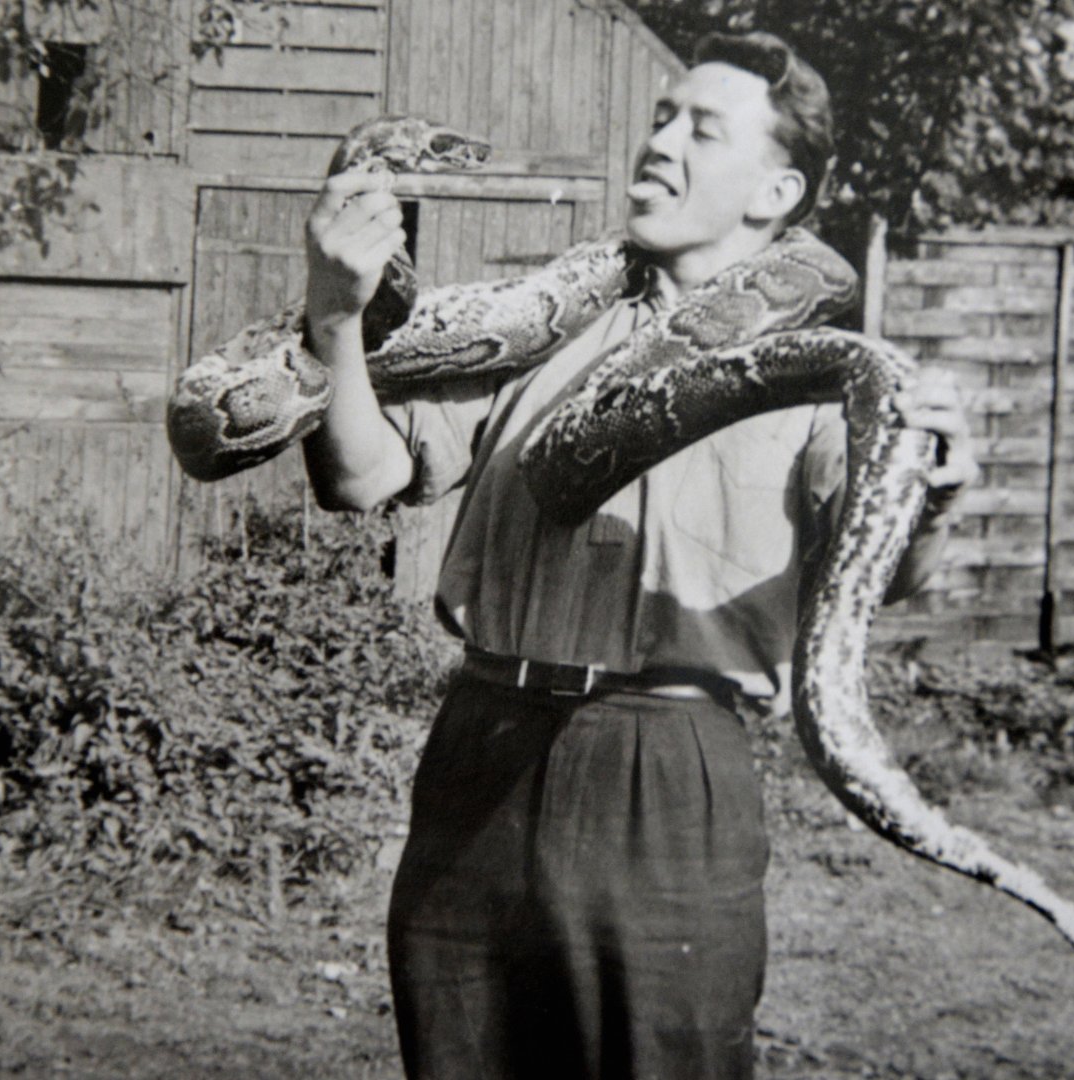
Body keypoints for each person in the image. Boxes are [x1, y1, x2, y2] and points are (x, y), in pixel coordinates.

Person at [300, 29, 978, 1080]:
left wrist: (931, 484)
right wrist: (338, 318)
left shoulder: (819, 372)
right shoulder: (534, 324)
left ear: (775, 192)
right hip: (482, 742)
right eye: (661, 116)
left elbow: (886, 571)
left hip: (666, 764)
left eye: (701, 130)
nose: (659, 142)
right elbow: (358, 476)